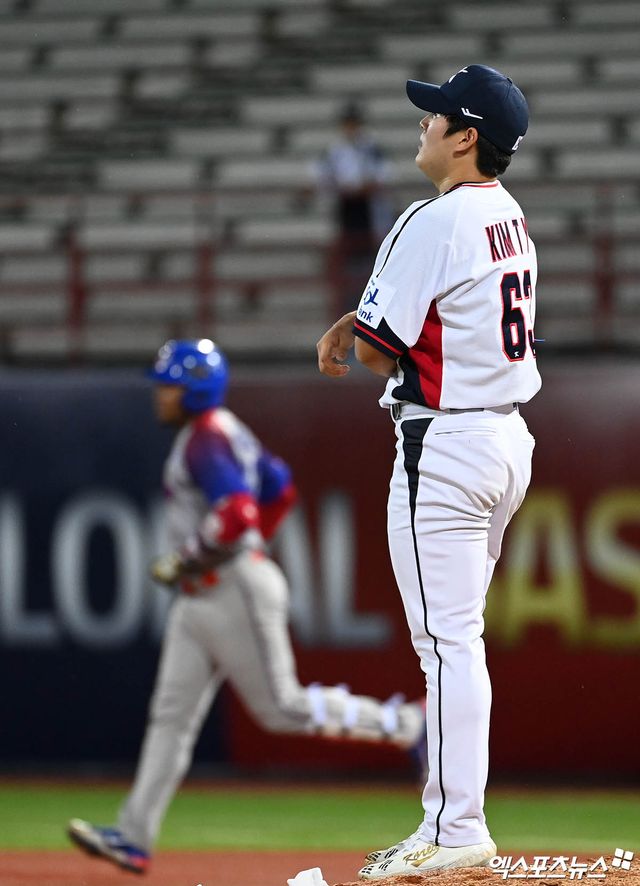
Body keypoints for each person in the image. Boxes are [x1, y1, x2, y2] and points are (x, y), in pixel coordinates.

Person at [67, 338, 426, 875]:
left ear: (195, 391)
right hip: (204, 595)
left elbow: (237, 514)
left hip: (229, 586)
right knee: (171, 718)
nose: (160, 395)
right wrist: (240, 549)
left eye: (170, 386)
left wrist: (191, 556)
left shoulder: (205, 439)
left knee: (282, 708)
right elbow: (279, 490)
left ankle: (407, 724)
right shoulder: (222, 431)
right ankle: (134, 836)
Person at [317, 65, 541, 879]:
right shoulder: (508, 215)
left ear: (466, 136)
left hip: (444, 444)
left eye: (437, 115)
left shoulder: (433, 217)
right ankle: (454, 823)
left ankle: (454, 829)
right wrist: (360, 319)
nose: (424, 123)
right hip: (505, 439)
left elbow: (382, 351)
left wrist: (359, 327)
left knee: (446, 645)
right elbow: (451, 315)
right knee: (458, 641)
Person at [313, 102, 394, 313]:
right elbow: (323, 177)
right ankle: (351, 307)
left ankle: (372, 307)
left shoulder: (371, 147)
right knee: (349, 261)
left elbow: (382, 177)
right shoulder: (335, 150)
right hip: (346, 211)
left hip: (368, 211)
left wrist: (358, 188)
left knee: (371, 261)